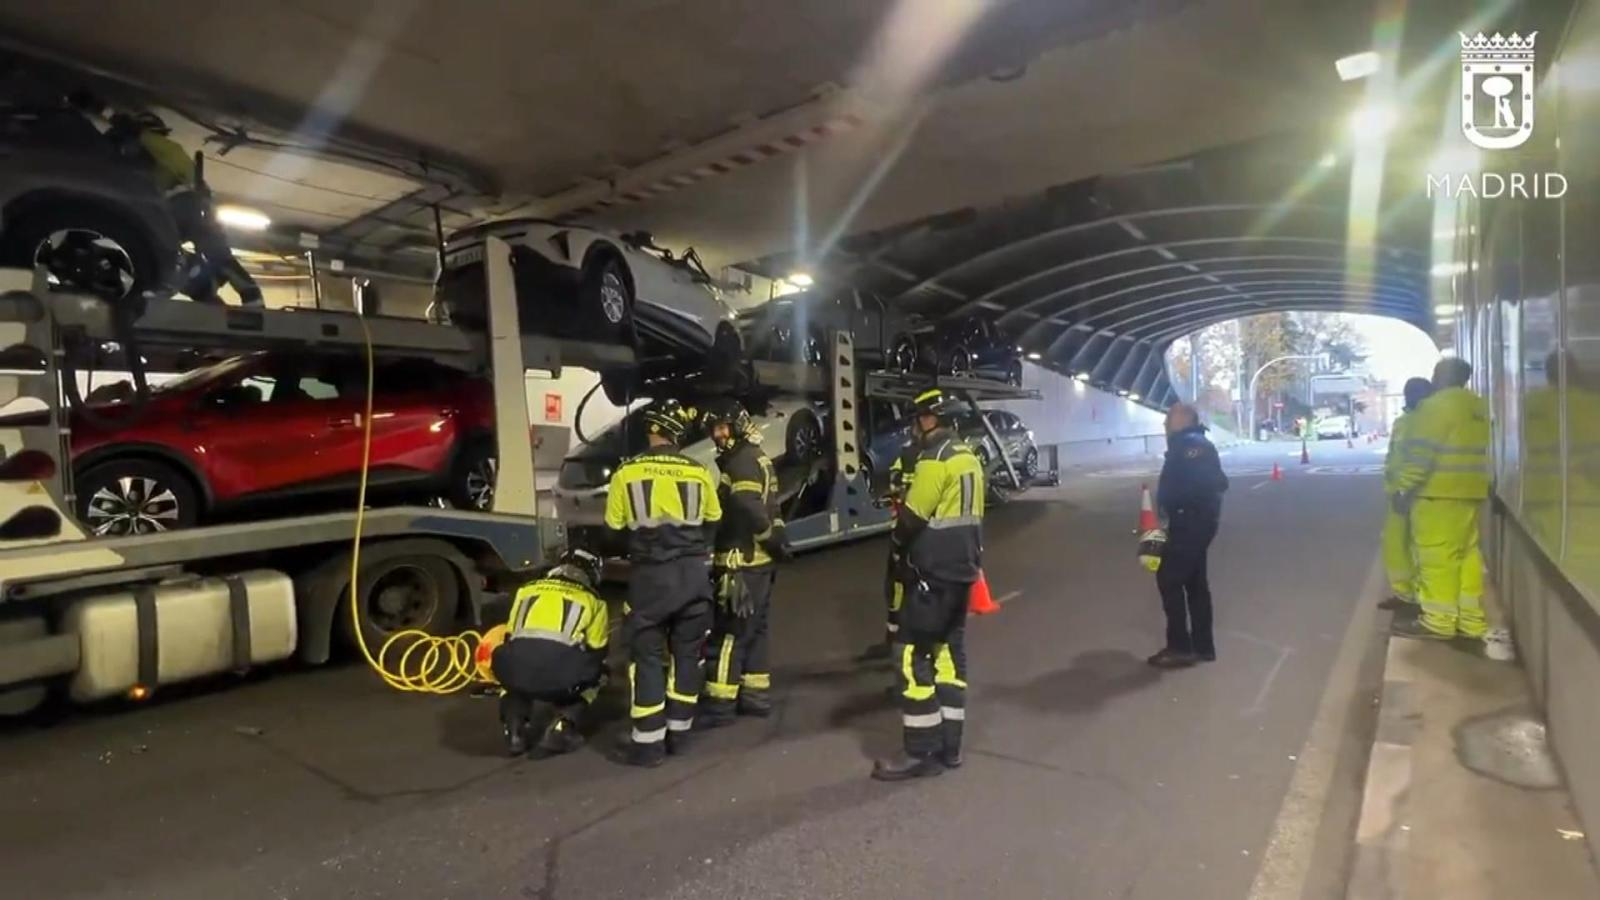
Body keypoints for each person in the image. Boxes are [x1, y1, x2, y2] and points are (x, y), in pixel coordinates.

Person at [873, 389, 985, 782]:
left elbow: (913, 516)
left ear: (935, 419)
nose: (916, 426)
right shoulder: (968, 457)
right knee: (949, 656)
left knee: (912, 655)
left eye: (921, 418)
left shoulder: (935, 460)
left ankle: (919, 751)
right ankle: (949, 746)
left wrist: (899, 547)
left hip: (931, 572)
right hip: (962, 570)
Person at [604, 398, 722, 767]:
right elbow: (712, 522)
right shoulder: (699, 471)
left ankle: (649, 743)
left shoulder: (628, 472)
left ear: (653, 429)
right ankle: (680, 732)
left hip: (650, 580)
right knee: (689, 654)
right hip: (693, 577)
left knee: (648, 658)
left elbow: (613, 531)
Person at [1390, 358, 1490, 642]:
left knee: (1437, 558)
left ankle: (1439, 620)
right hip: (1471, 492)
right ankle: (1471, 620)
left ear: (1441, 376)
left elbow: (1420, 454)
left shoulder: (1434, 408)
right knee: (1467, 555)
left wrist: (1404, 489)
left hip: (1437, 494)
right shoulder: (1478, 406)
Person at [700, 399, 783, 726]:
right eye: (714, 430)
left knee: (730, 634)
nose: (718, 435)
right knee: (756, 629)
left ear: (738, 425)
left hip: (740, 562)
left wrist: (765, 536)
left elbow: (749, 507)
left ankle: (721, 703)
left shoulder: (741, 463)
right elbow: (773, 508)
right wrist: (776, 542)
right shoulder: (758, 458)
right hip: (760, 563)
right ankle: (755, 695)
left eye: (722, 427)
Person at [491, 548, 609, 757]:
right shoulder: (593, 601)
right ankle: (563, 726)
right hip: (559, 680)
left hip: (516, 672)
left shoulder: (525, 590)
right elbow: (598, 650)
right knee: (600, 674)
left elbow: (510, 636)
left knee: (512, 671)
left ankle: (514, 730)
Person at [1148, 402, 1229, 669]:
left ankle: (1180, 647)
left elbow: (1211, 482)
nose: (1164, 425)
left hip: (1190, 524)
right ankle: (1203, 647)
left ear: (1182, 420)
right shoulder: (1192, 443)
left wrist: (1177, 505)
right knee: (1195, 584)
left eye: (1168, 419)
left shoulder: (1191, 447)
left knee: (1169, 579)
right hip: (1195, 523)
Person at [863, 435, 923, 662]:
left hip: (922, 534)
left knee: (914, 590)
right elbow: (894, 481)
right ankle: (893, 640)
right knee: (894, 587)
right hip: (904, 530)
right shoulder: (908, 455)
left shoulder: (936, 459)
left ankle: (914, 650)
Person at [1379, 378, 1435, 611]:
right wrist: (1394, 488)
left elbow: (1422, 460)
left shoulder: (1431, 422)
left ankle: (1424, 597)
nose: (1410, 397)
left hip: (1421, 493)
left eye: (1416, 393)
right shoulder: (1402, 422)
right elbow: (1394, 456)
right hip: (1398, 493)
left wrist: (1406, 488)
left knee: (1422, 547)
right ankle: (1404, 593)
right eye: (1408, 393)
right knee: (1395, 544)